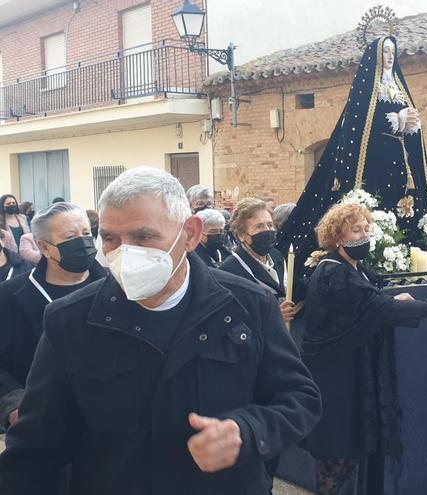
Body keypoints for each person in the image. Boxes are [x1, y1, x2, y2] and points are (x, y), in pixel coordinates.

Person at [0, 168, 322, 494]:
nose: (124, 253)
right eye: (110, 238)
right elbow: (35, 446)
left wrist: (249, 431)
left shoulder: (248, 305)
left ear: (191, 235)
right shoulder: (70, 320)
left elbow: (300, 398)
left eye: (144, 237)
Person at [303, 202, 427, 495]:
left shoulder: (353, 269)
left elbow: (367, 303)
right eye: (355, 230)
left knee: (348, 453)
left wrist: (394, 301)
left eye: (365, 229)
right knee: (336, 455)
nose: (363, 235)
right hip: (334, 377)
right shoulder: (333, 272)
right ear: (338, 238)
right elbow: (375, 306)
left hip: (349, 372)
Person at [277, 36, 427, 282]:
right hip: (374, 163)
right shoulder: (366, 91)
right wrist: (395, 121)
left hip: (397, 162)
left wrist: (411, 125)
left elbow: (411, 131)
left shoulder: (399, 88)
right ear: (375, 57)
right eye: (385, 52)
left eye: (393, 52)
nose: (390, 57)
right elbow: (357, 127)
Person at [0, 202, 104, 433]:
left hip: (107, 423)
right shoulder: (9, 296)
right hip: (42, 424)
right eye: (70, 236)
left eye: (86, 233)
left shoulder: (115, 289)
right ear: (43, 247)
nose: (83, 242)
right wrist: (14, 405)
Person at [218, 198, 297, 323]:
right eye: (259, 227)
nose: (267, 230)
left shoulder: (277, 256)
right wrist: (272, 317)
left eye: (270, 225)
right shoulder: (229, 270)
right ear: (241, 235)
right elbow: (231, 317)